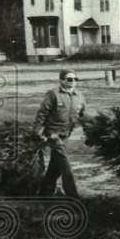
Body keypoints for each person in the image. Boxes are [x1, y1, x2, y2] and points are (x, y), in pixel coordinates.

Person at [33, 69, 87, 197]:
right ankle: (73, 195)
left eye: (75, 79)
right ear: (61, 80)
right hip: (52, 134)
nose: (73, 82)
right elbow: (42, 113)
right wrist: (37, 132)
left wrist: (89, 130)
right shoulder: (53, 94)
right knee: (64, 162)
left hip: (66, 134)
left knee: (55, 165)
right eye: (69, 79)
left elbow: (83, 116)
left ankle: (45, 192)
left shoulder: (79, 96)